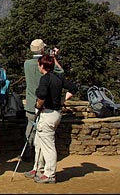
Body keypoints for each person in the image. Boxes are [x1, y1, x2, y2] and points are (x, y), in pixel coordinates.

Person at [24, 55, 78, 184]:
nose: (38, 67)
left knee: (48, 146)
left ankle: (49, 174)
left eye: (39, 65)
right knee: (39, 142)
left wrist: (38, 106)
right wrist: (62, 100)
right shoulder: (58, 77)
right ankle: (38, 169)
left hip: (47, 114)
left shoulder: (45, 79)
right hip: (55, 113)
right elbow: (74, 88)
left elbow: (41, 95)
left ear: (42, 66)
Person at [23, 39, 63, 162]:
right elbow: (60, 73)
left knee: (31, 128)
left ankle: (28, 152)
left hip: (31, 102)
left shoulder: (27, 64)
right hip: (46, 103)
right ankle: (40, 157)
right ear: (42, 49)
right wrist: (53, 58)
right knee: (43, 133)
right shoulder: (46, 63)